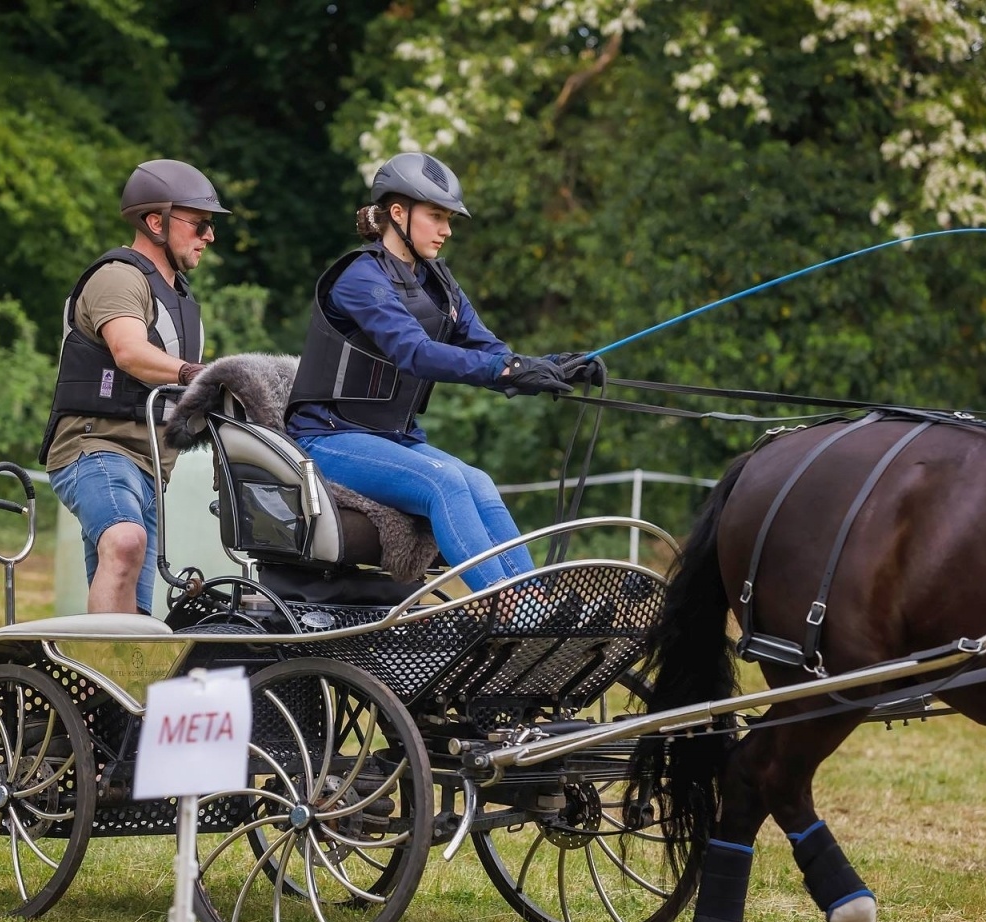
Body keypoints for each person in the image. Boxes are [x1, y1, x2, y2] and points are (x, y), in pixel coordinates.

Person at [284, 152, 598, 593]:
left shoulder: (439, 282)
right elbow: (416, 353)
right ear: (398, 213)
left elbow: (489, 349)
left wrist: (550, 366)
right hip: (328, 438)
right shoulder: (360, 278)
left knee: (480, 483)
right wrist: (508, 370)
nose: (446, 229)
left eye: (448, 218)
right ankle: (508, 606)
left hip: (394, 437)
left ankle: (533, 602)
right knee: (443, 483)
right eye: (436, 216)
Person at [39, 159, 227, 614]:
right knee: (125, 542)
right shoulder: (119, 277)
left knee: (137, 616)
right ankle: (105, 659)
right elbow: (129, 352)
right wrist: (195, 375)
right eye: (200, 224)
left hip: (150, 469)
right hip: (97, 447)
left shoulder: (180, 297)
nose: (209, 236)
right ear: (155, 222)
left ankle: (111, 662)